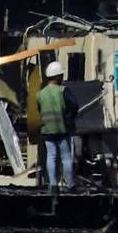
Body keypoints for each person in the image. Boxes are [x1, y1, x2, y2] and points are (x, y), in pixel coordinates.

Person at [37, 60, 76, 189]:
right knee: (66, 157)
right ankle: (70, 184)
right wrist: (69, 118)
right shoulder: (63, 90)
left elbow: (39, 110)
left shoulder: (40, 94)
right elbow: (74, 106)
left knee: (51, 156)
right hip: (62, 129)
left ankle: (53, 185)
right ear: (58, 76)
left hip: (47, 129)